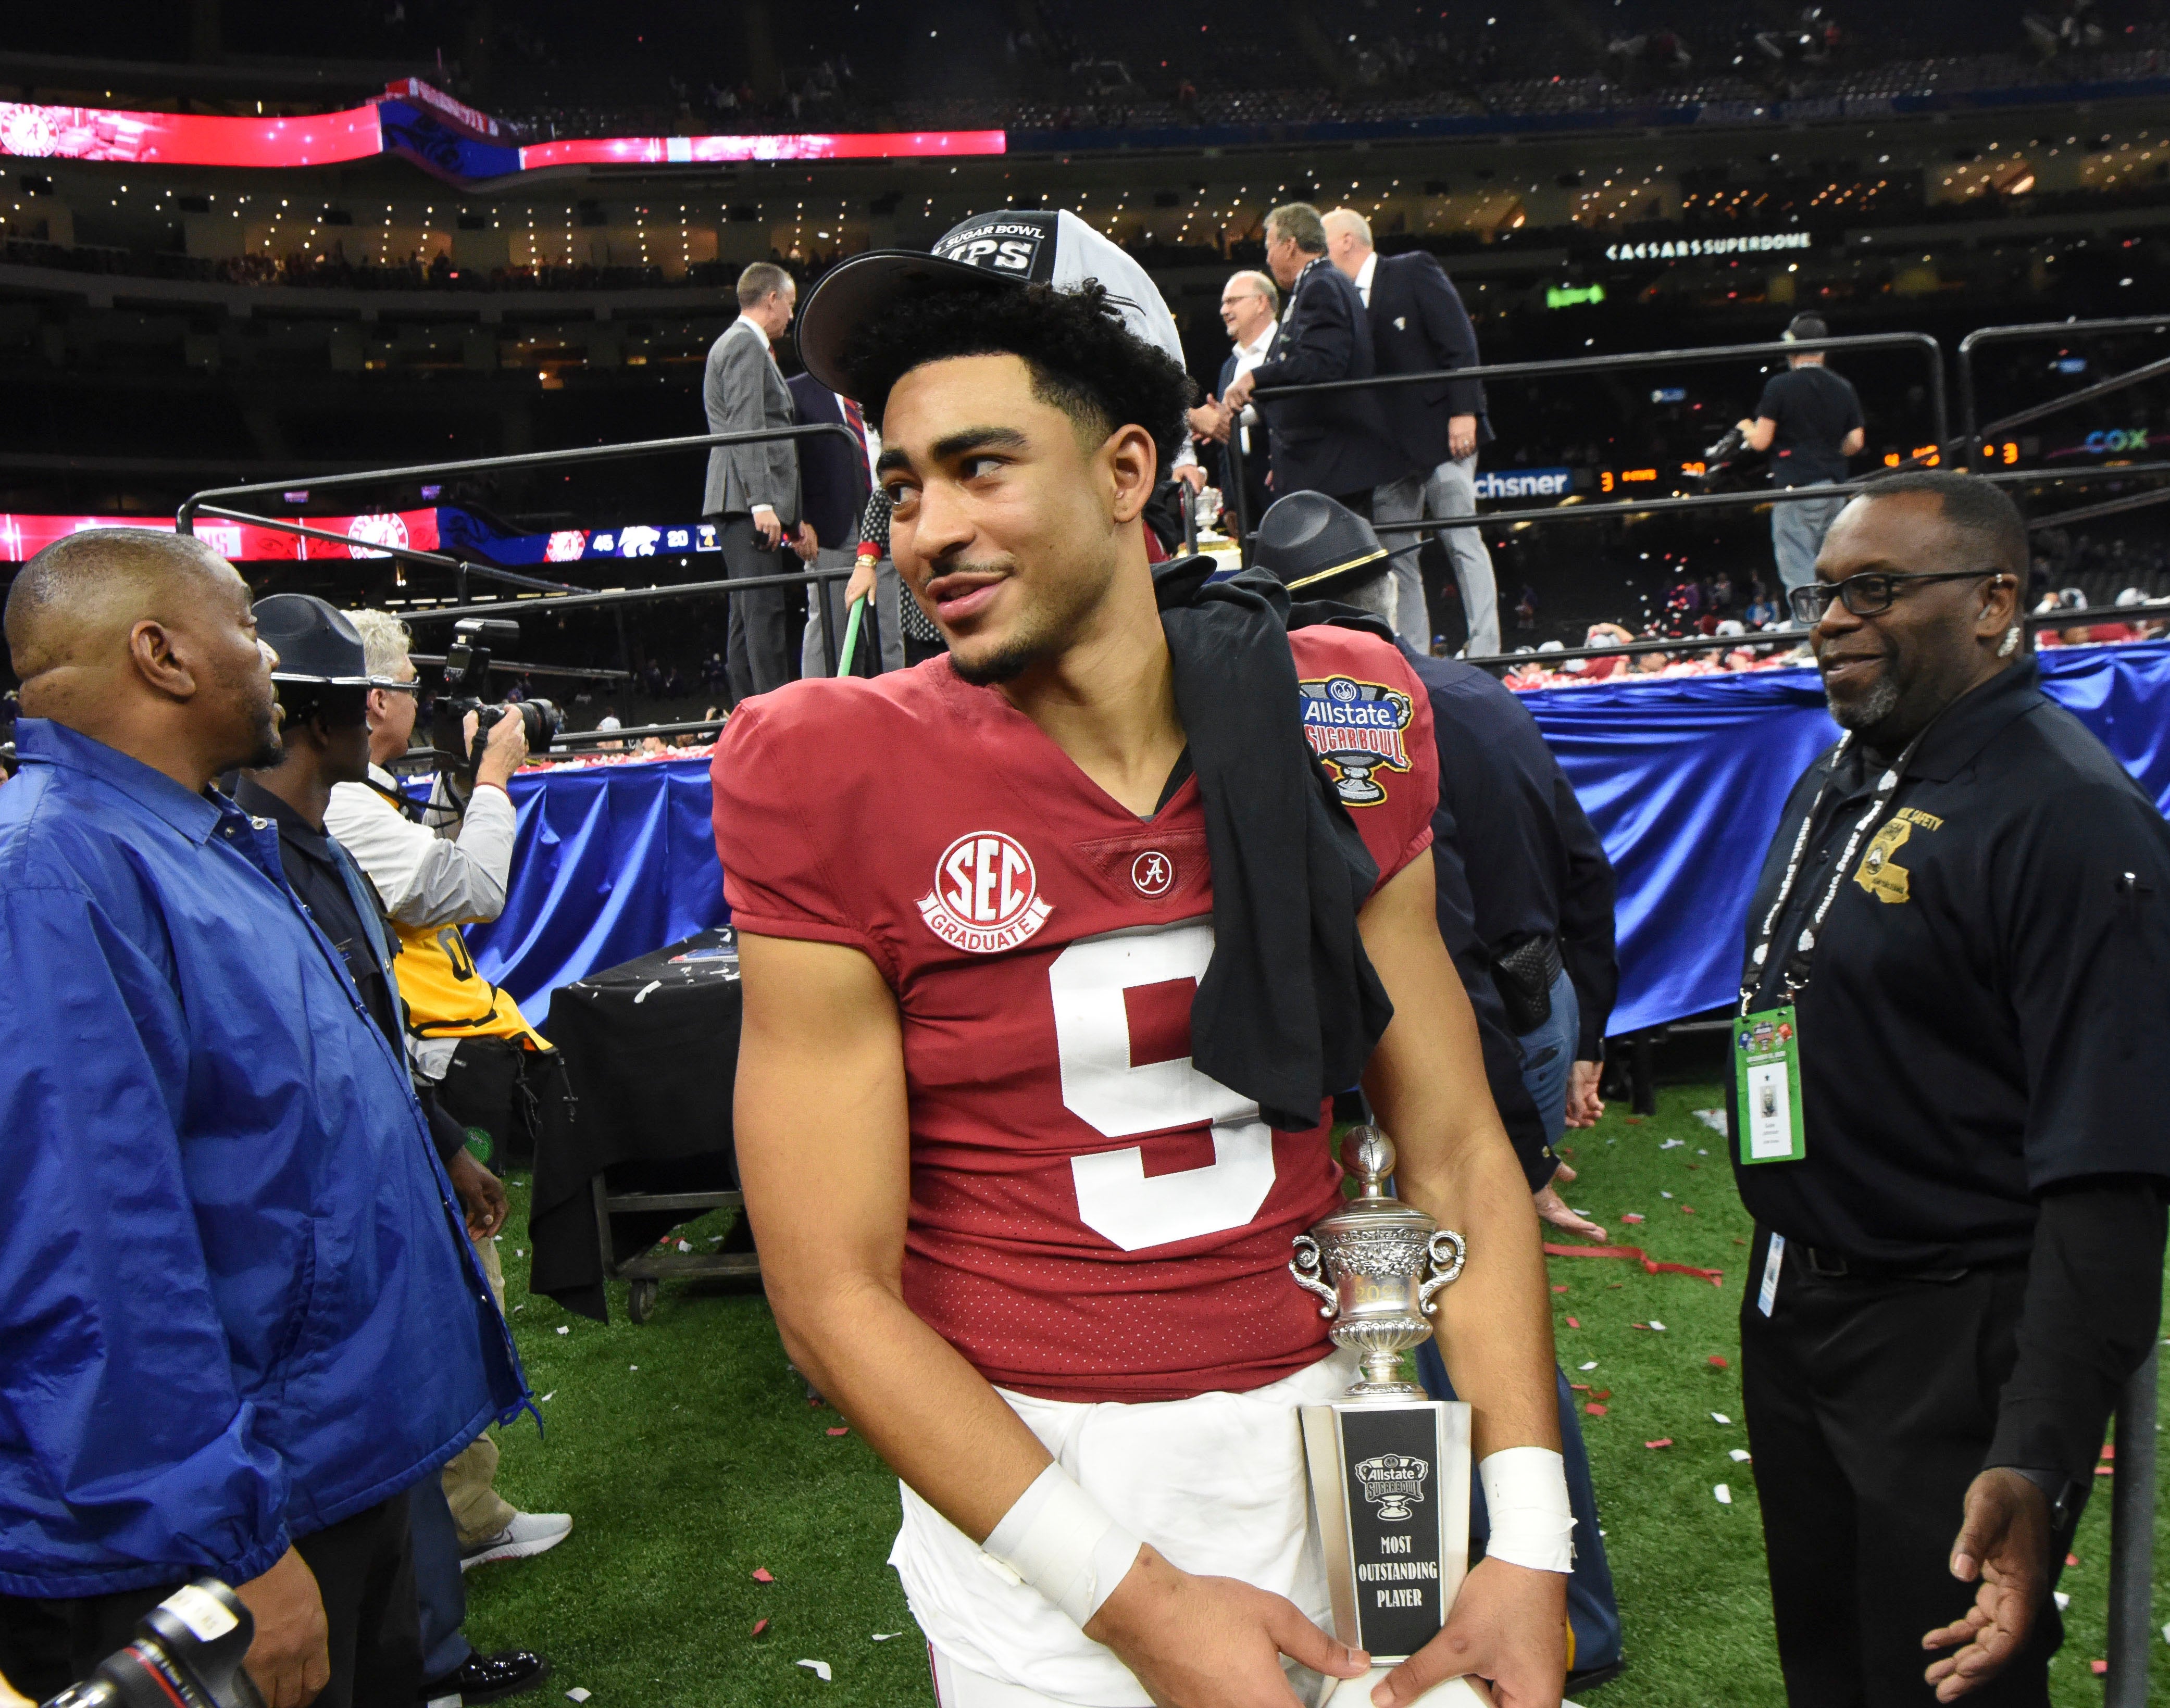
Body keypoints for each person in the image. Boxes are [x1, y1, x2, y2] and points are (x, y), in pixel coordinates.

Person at [723, 236, 1570, 1708]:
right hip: (1040, 1480)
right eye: (905, 484)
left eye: (982, 465)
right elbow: (827, 1293)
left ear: (1128, 472)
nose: (928, 528)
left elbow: (1447, 1147)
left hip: (1335, 1418)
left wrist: (1533, 1541)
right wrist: (1137, 1603)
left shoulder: (1334, 711)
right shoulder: (825, 765)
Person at [0, 529, 526, 1708]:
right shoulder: (51, 871)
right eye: (245, 625)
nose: (270, 662)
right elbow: (95, 1263)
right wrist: (230, 1543)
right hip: (233, 1522)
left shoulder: (189, 836)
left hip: (325, 1463)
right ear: (164, 654)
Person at [1737, 470, 2170, 1705]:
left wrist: (2035, 1453)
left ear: (1995, 603)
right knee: (1831, 1667)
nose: (1831, 620)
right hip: (1797, 1309)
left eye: (1875, 590)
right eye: (1823, 594)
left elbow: (2109, 1174)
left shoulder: (2072, 816)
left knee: (1943, 1682)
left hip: (1944, 1338)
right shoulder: (1863, 760)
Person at [1246, 493, 1625, 1690]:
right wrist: (1583, 1030)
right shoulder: (1477, 695)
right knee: (1485, 1307)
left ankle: (1491, 1598)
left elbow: (1424, 917)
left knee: (1429, 1323)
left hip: (1428, 1042)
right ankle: (1564, 1602)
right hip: (1518, 1008)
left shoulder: (1334, 725)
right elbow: (1579, 865)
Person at [237, 596, 551, 1708]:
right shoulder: (242, 857)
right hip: (314, 1228)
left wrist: (438, 1145)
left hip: (381, 1180)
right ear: (335, 713)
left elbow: (364, 1030)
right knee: (357, 1483)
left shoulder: (312, 835)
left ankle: (432, 1658)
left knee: (402, 1451)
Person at [1322, 208, 1500, 656]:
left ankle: (1486, 651)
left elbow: (1458, 340)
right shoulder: (1340, 299)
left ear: (1346, 240)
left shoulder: (1411, 269)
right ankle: (1414, 658)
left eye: (1321, 241)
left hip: (1443, 435)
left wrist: (1465, 411)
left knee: (1462, 541)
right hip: (1387, 452)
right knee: (1396, 560)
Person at [1221, 203, 1409, 518]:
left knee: (1338, 564)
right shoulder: (1321, 282)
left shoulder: (1321, 284)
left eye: (1269, 247)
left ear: (1290, 246)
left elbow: (1322, 364)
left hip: (1332, 466)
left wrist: (1255, 378)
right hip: (1326, 465)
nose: (1267, 258)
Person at [702, 260, 811, 702]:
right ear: (772, 299)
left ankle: (752, 713)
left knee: (748, 618)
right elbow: (749, 426)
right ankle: (774, 717)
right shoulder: (746, 346)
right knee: (761, 616)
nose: (791, 314)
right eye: (790, 303)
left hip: (739, 499)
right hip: (746, 501)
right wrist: (761, 504)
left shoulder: (740, 344)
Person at [1736, 312, 1865, 600]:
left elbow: (1761, 441)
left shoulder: (1779, 386)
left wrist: (1745, 427)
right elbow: (1856, 441)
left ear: (1791, 348)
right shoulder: (1843, 386)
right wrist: (1829, 455)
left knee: (1798, 567)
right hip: (1835, 488)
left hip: (1795, 487)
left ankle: (1808, 639)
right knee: (1831, 566)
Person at [789, 368, 883, 677]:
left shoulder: (878, 386)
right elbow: (787, 461)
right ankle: (812, 714)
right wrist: (797, 521)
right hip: (831, 529)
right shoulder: (798, 391)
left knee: (889, 636)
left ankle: (898, 717)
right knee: (830, 631)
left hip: (888, 520)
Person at [1187, 269, 1279, 536]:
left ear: (1261, 302)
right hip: (1245, 485)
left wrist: (1229, 418)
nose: (1224, 310)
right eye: (1224, 303)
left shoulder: (1289, 346)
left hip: (1280, 475)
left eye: (1232, 301)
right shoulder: (1230, 367)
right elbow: (1222, 445)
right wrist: (1231, 502)